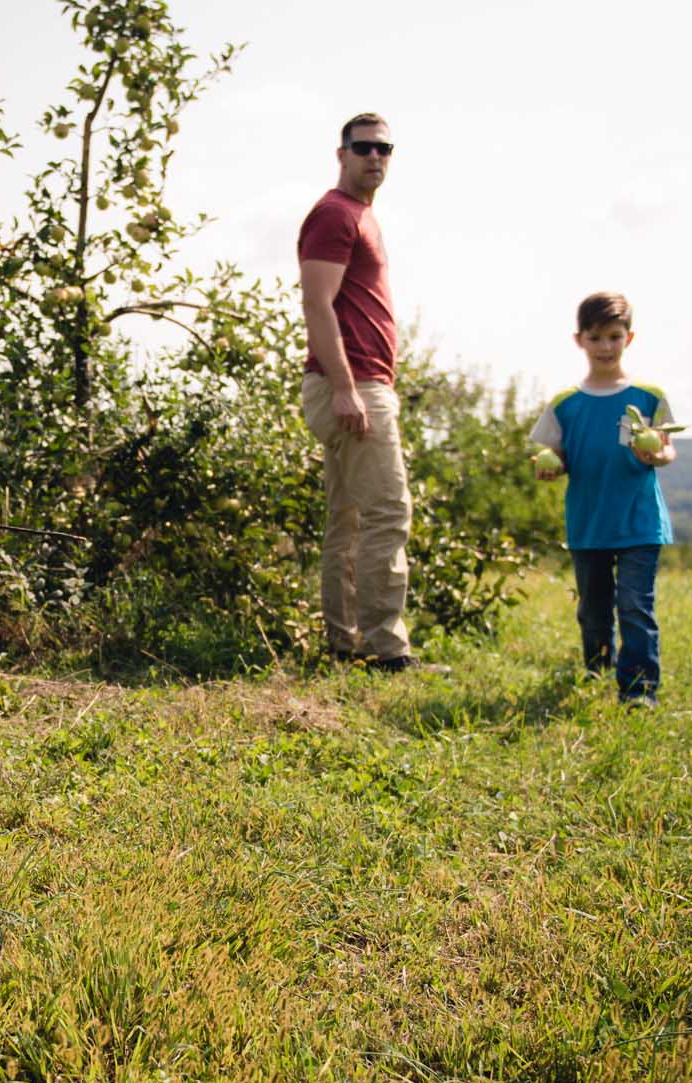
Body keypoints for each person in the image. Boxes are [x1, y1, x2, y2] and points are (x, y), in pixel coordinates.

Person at [298, 112, 420, 670]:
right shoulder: (335, 214)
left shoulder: (359, 215)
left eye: (385, 148)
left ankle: (346, 644)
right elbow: (317, 305)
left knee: (347, 519)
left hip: (357, 382)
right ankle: (386, 649)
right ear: (341, 153)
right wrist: (347, 388)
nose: (376, 157)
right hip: (352, 386)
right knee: (387, 512)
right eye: (365, 147)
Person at [530, 291, 678, 707]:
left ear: (629, 338)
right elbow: (553, 454)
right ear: (580, 341)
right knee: (594, 609)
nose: (606, 347)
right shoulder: (565, 404)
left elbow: (667, 449)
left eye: (614, 336)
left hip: (639, 521)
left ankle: (638, 691)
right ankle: (597, 665)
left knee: (634, 606)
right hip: (589, 522)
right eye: (596, 338)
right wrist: (550, 466)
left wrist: (658, 454)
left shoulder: (648, 396)